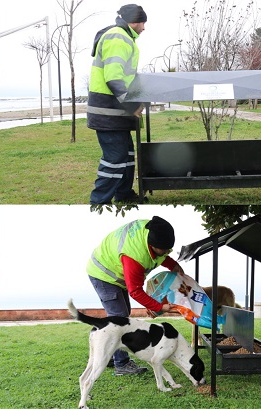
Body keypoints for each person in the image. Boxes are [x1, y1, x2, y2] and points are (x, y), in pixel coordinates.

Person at [85, 216, 185, 375]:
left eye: (168, 249)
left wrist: (173, 265)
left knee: (123, 314)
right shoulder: (135, 256)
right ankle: (121, 364)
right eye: (164, 250)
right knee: (119, 318)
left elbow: (160, 256)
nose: (166, 252)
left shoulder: (153, 230)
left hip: (117, 270)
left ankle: (107, 352)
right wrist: (159, 307)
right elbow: (136, 291)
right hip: (103, 274)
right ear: (152, 245)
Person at [87, 4, 148, 205]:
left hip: (114, 112)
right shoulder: (118, 37)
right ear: (135, 21)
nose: (144, 28)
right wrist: (131, 106)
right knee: (115, 159)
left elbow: (125, 76)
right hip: (108, 111)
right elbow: (113, 78)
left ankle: (124, 194)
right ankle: (99, 202)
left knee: (127, 155)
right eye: (143, 23)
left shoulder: (122, 37)